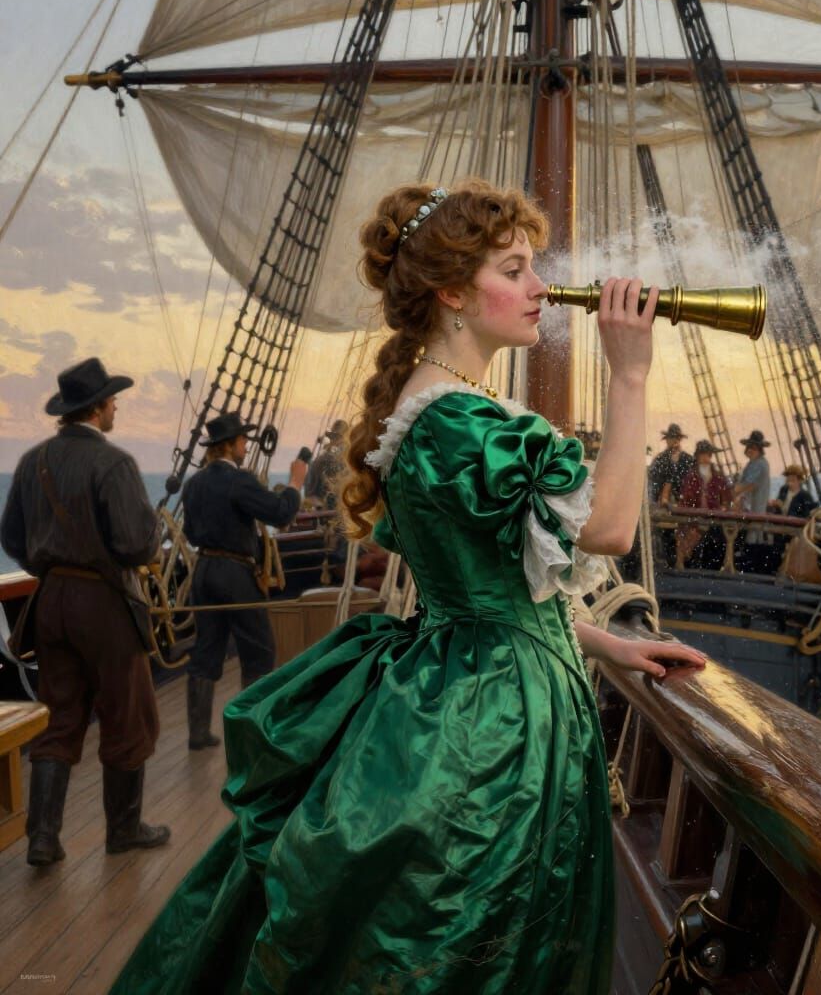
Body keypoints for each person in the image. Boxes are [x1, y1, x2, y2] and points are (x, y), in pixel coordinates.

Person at [110, 178, 707, 994]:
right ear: (452, 292)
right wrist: (630, 374)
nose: (539, 289)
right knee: (483, 943)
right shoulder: (466, 423)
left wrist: (610, 644)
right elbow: (609, 530)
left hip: (469, 687)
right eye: (515, 269)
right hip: (494, 725)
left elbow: (489, 591)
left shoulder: (433, 408)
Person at [0, 357, 170, 866]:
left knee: (59, 716)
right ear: (97, 408)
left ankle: (43, 838)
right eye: (113, 399)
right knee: (127, 712)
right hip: (105, 604)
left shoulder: (33, 462)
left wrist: (50, 564)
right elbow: (137, 545)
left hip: (49, 601)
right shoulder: (114, 464)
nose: (116, 406)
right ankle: (123, 829)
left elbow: (10, 537)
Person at [181, 411, 307, 750]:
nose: (246, 445)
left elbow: (189, 532)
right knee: (259, 650)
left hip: (204, 570)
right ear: (232, 445)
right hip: (234, 572)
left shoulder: (193, 484)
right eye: (242, 440)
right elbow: (281, 512)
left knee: (206, 649)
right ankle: (251, 732)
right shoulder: (239, 481)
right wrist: (295, 482)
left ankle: (197, 732)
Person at [676, 439, 733, 568]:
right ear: (697, 456)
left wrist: (723, 509)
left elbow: (727, 498)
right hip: (693, 518)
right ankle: (683, 562)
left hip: (714, 519)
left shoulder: (718, 477)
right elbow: (685, 499)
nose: (705, 458)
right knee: (686, 533)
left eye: (707, 455)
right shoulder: (691, 476)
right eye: (702, 455)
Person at [648, 423, 693, 567]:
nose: (673, 441)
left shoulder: (688, 460)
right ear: (666, 440)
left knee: (683, 533)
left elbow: (692, 482)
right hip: (662, 504)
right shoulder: (660, 460)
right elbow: (652, 480)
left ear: (680, 440)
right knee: (663, 533)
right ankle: (666, 561)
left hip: (682, 504)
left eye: (676, 438)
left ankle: (680, 562)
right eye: (671, 438)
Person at [733, 428, 772, 546]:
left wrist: (727, 492)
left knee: (753, 540)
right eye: (749, 447)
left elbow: (746, 486)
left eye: (754, 448)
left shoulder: (759, 464)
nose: (750, 450)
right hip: (750, 510)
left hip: (755, 511)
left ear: (760, 450)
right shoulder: (752, 463)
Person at [305, 418, 348, 508]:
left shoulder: (319, 460)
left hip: (321, 509)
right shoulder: (342, 461)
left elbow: (309, 491)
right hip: (332, 510)